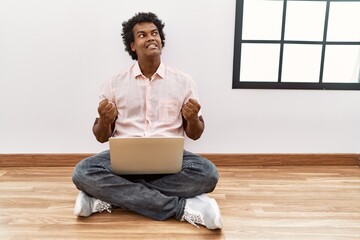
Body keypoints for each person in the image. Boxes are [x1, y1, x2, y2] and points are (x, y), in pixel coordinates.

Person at [72, 12, 222, 230]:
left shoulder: (183, 81)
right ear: (133, 46)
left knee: (208, 174)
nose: (151, 38)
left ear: (161, 40)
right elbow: (100, 136)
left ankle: (106, 197)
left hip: (170, 161)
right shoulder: (114, 82)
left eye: (155, 33)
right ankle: (183, 207)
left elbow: (195, 133)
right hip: (124, 160)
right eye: (142, 35)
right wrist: (105, 120)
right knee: (83, 172)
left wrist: (191, 118)